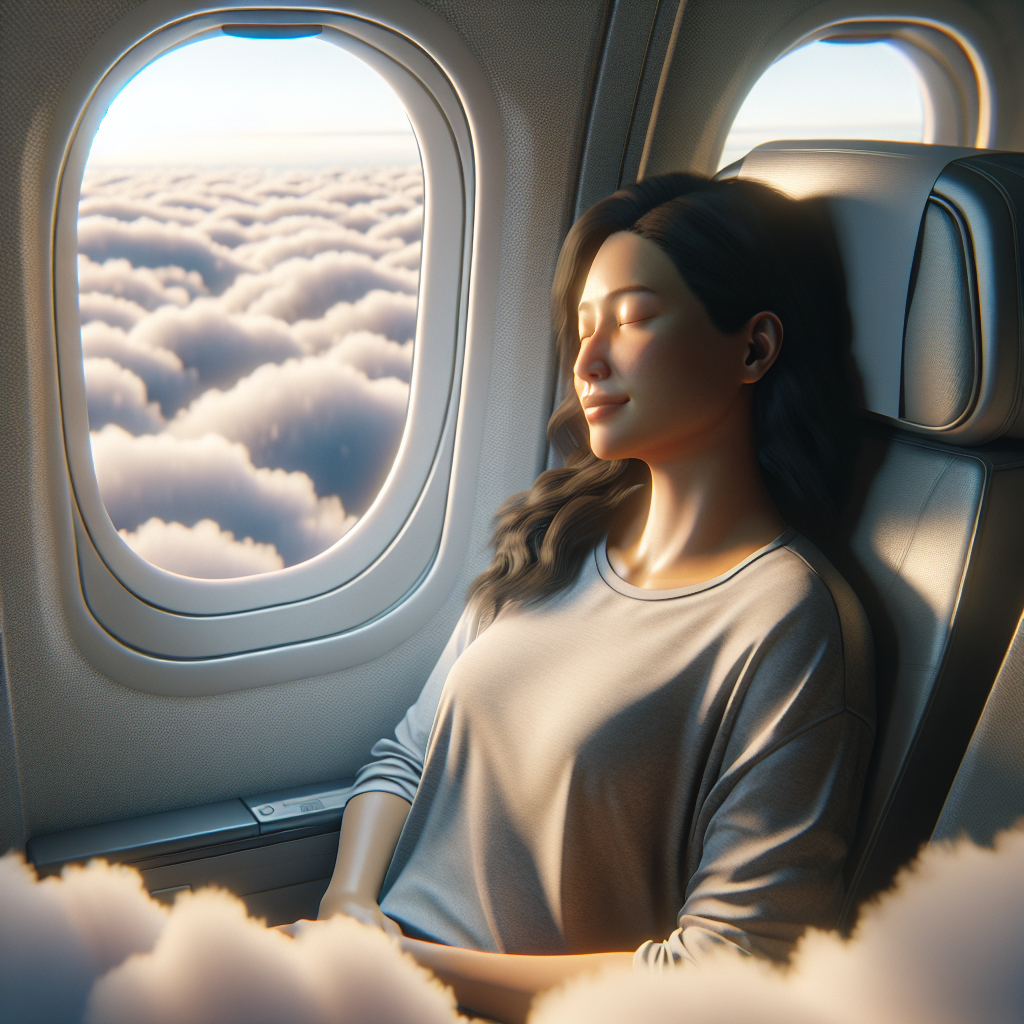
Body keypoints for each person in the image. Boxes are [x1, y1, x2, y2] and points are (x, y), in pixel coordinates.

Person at [316, 173, 875, 1022]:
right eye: (582, 327)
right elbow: (407, 756)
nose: (587, 362)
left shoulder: (785, 622)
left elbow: (731, 969)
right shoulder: (558, 537)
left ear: (754, 350)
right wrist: (348, 908)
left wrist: (414, 967)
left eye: (632, 319)